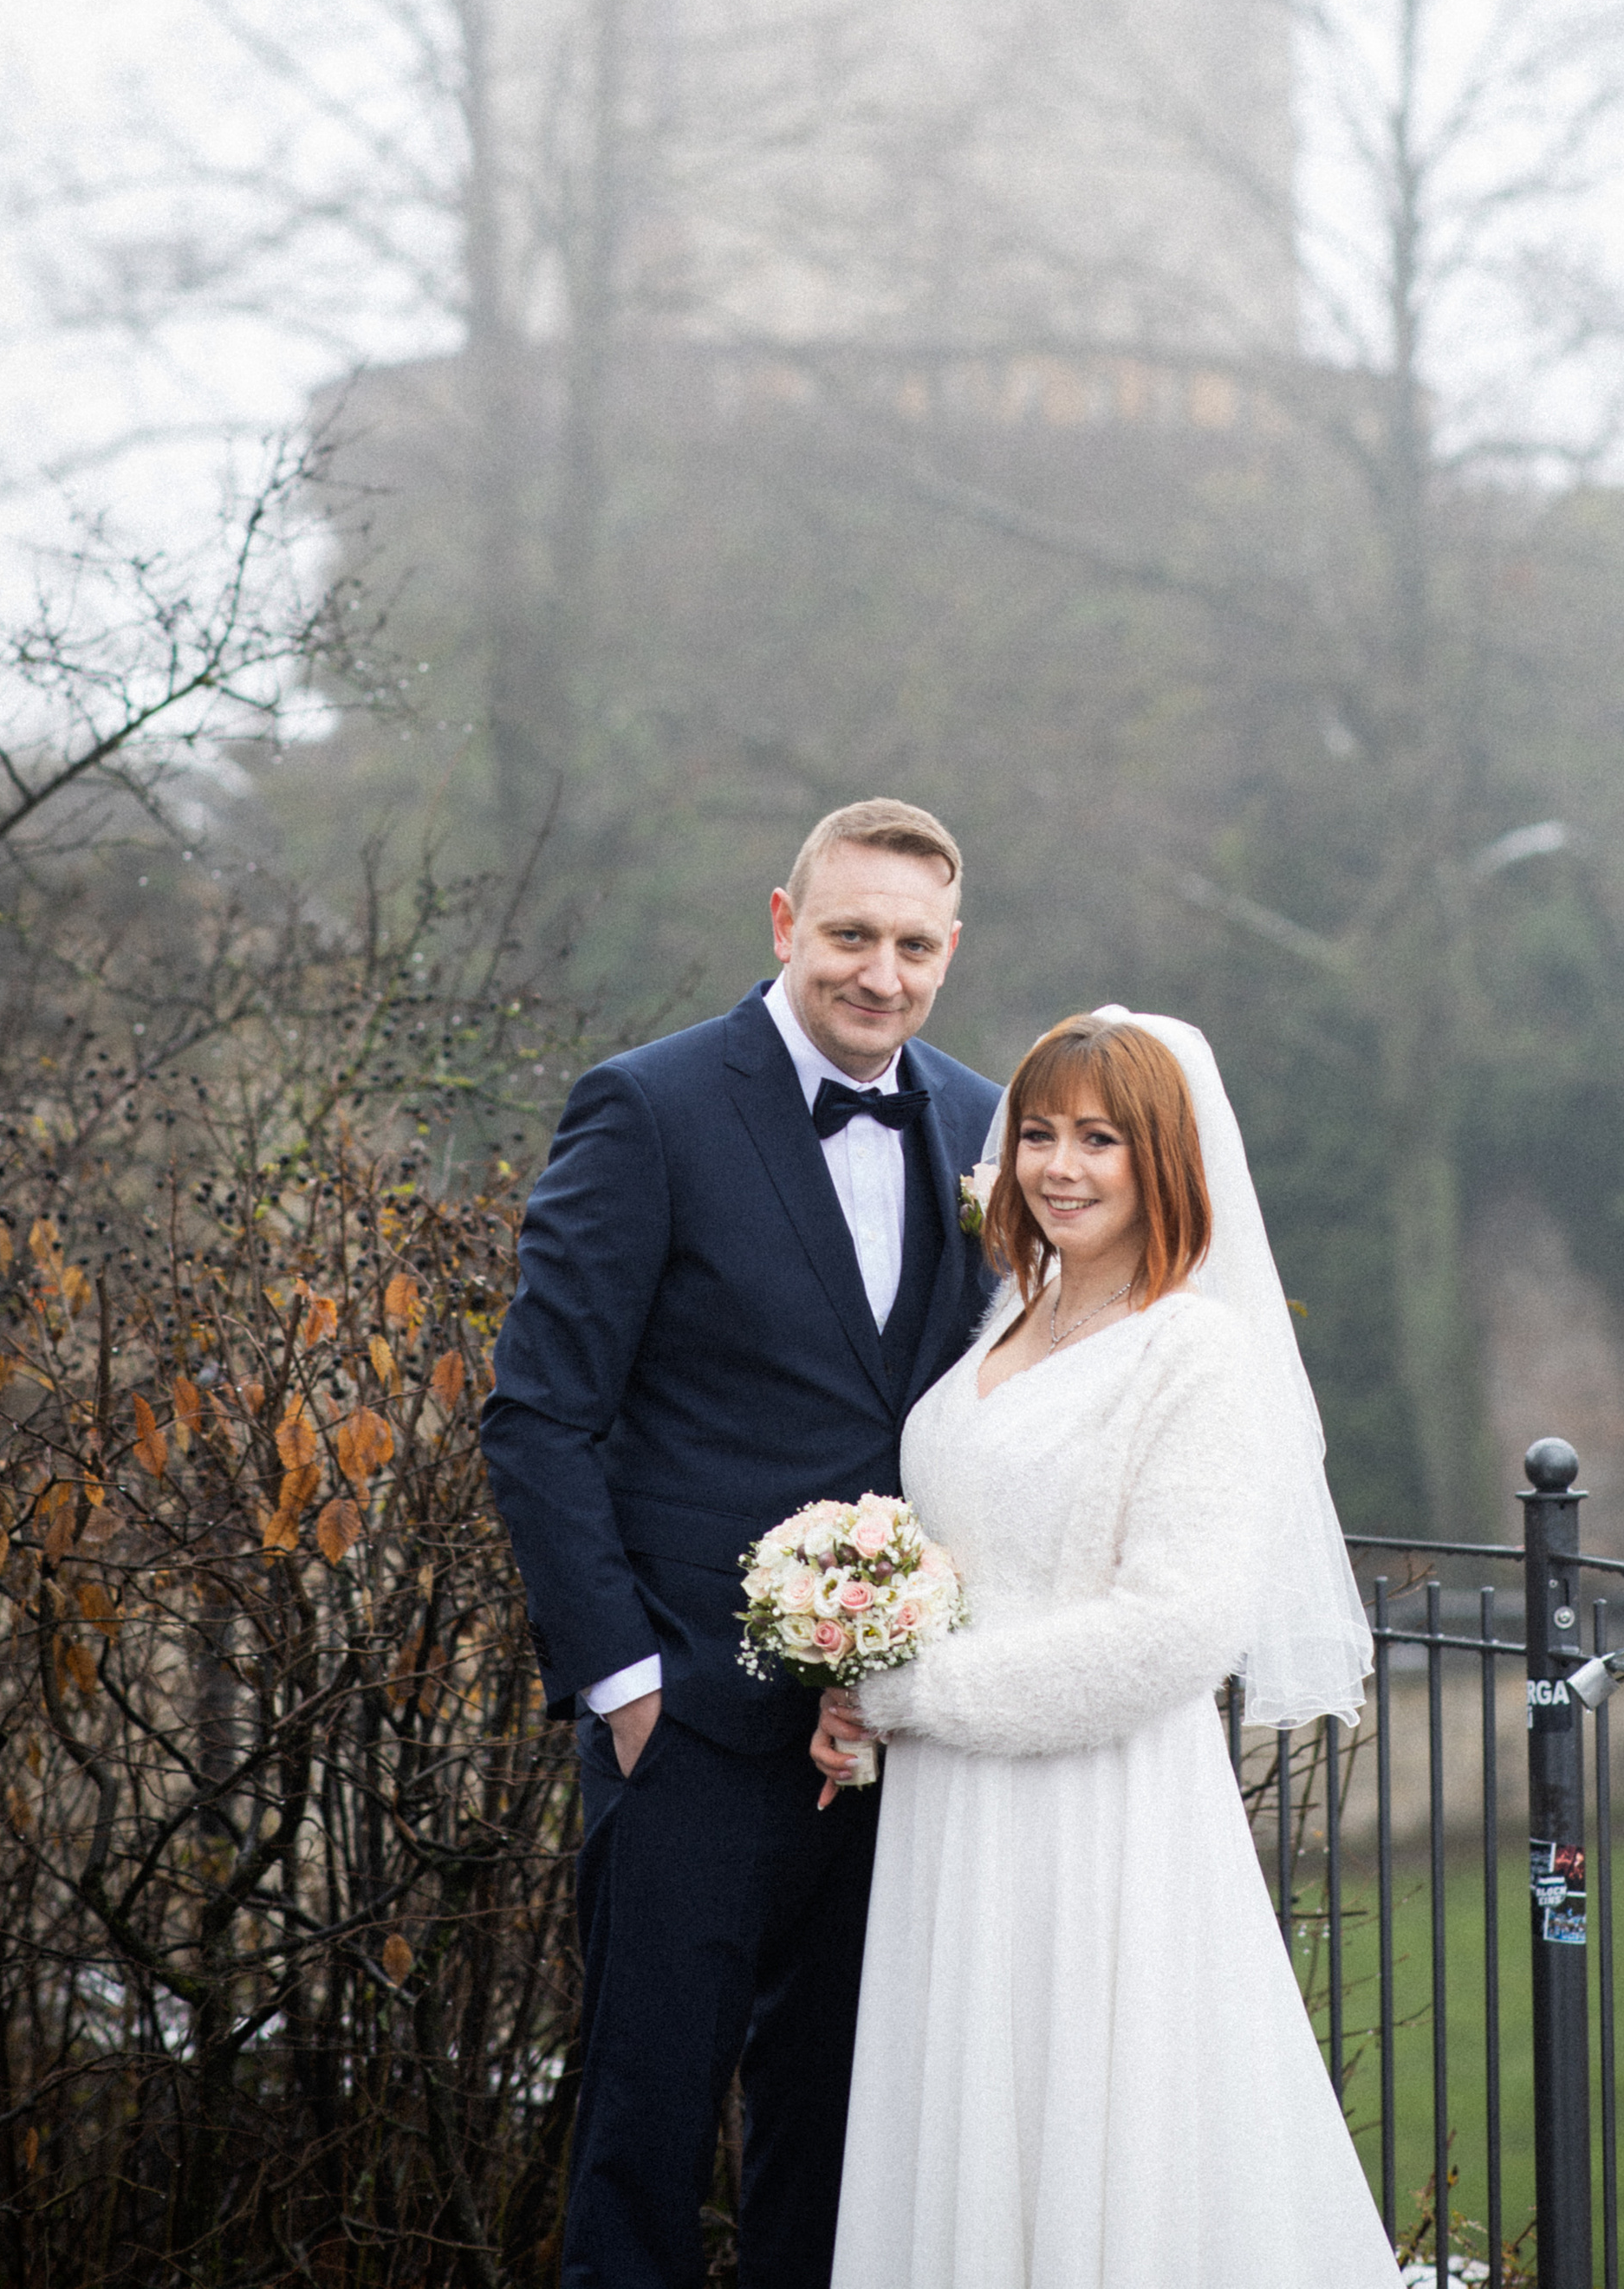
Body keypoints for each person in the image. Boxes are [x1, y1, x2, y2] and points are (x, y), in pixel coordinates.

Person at [480, 799, 999, 2289]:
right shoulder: (649, 1108)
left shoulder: (983, 1123)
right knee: (642, 2149)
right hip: (690, 1729)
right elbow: (539, 1416)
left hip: (896, 1743)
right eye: (849, 936)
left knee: (842, 2155)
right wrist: (628, 1687)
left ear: (949, 953)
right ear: (784, 923)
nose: (878, 975)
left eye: (912, 947)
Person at [815, 1007, 1405, 2289]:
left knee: (1098, 2139)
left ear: (1165, 1160)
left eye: (1100, 1139)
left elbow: (1176, 1630)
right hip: (950, 1814)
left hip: (1099, 1819)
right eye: (1038, 1134)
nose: (1060, 1167)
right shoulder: (1012, 1310)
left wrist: (921, 1689)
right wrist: (861, 1674)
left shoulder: (1197, 1352)